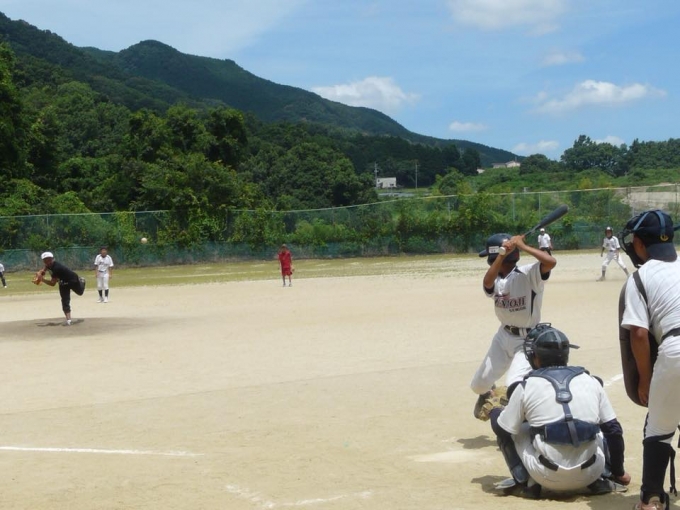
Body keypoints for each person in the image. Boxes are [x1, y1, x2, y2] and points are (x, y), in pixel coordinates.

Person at [485, 323, 630, 498]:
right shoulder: (590, 381)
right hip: (591, 472)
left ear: (535, 357)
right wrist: (619, 471)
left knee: (515, 427)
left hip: (545, 476)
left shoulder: (526, 386)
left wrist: (494, 410)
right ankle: (603, 478)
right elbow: (614, 431)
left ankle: (526, 483)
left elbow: (502, 430)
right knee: (598, 428)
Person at [619, 209, 680, 510]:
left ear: (641, 244)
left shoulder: (640, 278)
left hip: (675, 347)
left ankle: (651, 500)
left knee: (658, 428)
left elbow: (639, 334)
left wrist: (645, 379)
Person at [471, 233, 556, 421]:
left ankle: (525, 418)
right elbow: (487, 283)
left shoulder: (529, 274)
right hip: (503, 336)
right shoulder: (495, 278)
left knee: (514, 385)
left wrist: (522, 246)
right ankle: (488, 393)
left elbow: (550, 262)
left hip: (527, 340)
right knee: (478, 385)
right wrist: (502, 255)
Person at [36, 252, 86, 325]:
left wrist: (42, 280)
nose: (47, 262)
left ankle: (82, 281)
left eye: (49, 259)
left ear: (52, 259)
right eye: (45, 260)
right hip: (62, 282)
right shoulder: (48, 265)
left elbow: (52, 283)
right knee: (65, 300)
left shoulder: (57, 268)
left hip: (72, 280)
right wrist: (40, 273)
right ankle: (69, 320)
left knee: (80, 292)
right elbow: (44, 270)